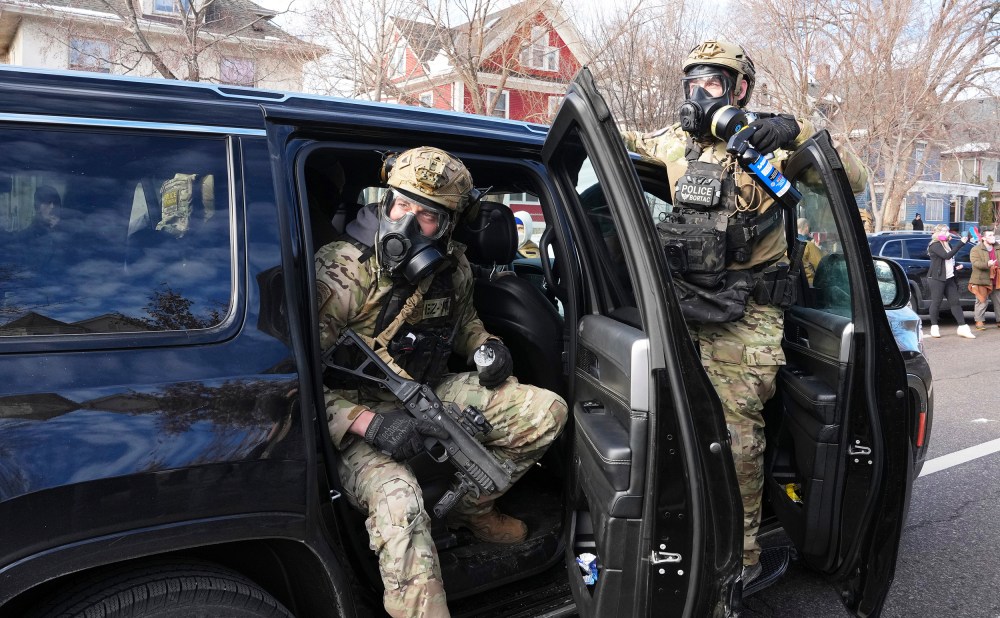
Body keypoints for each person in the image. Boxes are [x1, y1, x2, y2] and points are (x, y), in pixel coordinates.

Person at [622, 39, 868, 586]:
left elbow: (851, 180)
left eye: (711, 83)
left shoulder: (769, 148)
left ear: (740, 90)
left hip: (748, 316)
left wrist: (795, 129)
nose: (699, 93)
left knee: (736, 439)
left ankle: (740, 560)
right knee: (672, 428)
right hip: (684, 310)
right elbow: (610, 143)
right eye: (692, 83)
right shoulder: (673, 144)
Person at [315, 146, 567, 618]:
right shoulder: (342, 270)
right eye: (401, 204)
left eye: (427, 214)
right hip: (349, 411)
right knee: (400, 502)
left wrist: (484, 348)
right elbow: (293, 379)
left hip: (426, 390)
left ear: (450, 222)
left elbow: (465, 320)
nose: (407, 222)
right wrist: (367, 423)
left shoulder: (454, 267)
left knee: (544, 411)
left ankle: (472, 510)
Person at [927, 223, 974, 339]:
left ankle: (962, 327)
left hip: (949, 277)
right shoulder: (935, 245)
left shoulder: (947, 244)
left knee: (955, 302)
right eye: (944, 231)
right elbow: (946, 256)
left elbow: (950, 260)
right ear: (938, 233)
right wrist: (961, 244)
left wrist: (957, 265)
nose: (947, 233)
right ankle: (934, 327)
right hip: (937, 278)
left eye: (947, 231)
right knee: (936, 302)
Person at [969, 226, 1000, 330]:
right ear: (983, 238)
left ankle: (999, 320)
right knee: (981, 301)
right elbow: (975, 263)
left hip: (996, 278)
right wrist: (987, 264)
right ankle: (979, 321)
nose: (992, 237)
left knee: (998, 301)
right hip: (982, 279)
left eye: (993, 235)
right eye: (989, 235)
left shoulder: (998, 247)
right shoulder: (976, 249)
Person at [797, 217, 823, 285]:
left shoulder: (789, 242)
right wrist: (818, 248)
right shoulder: (808, 245)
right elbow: (821, 265)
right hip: (809, 284)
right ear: (807, 227)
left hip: (797, 283)